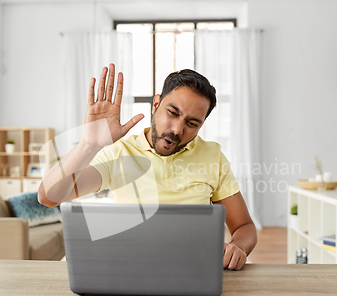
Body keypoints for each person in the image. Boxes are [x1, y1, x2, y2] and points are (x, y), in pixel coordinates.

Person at [38, 64, 257, 270]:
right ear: (156, 104)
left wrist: (238, 247)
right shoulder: (119, 152)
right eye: (172, 112)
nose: (177, 130)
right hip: (131, 267)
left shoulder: (213, 156)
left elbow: (244, 226)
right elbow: (49, 196)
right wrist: (89, 144)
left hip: (193, 268)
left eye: (192, 123)